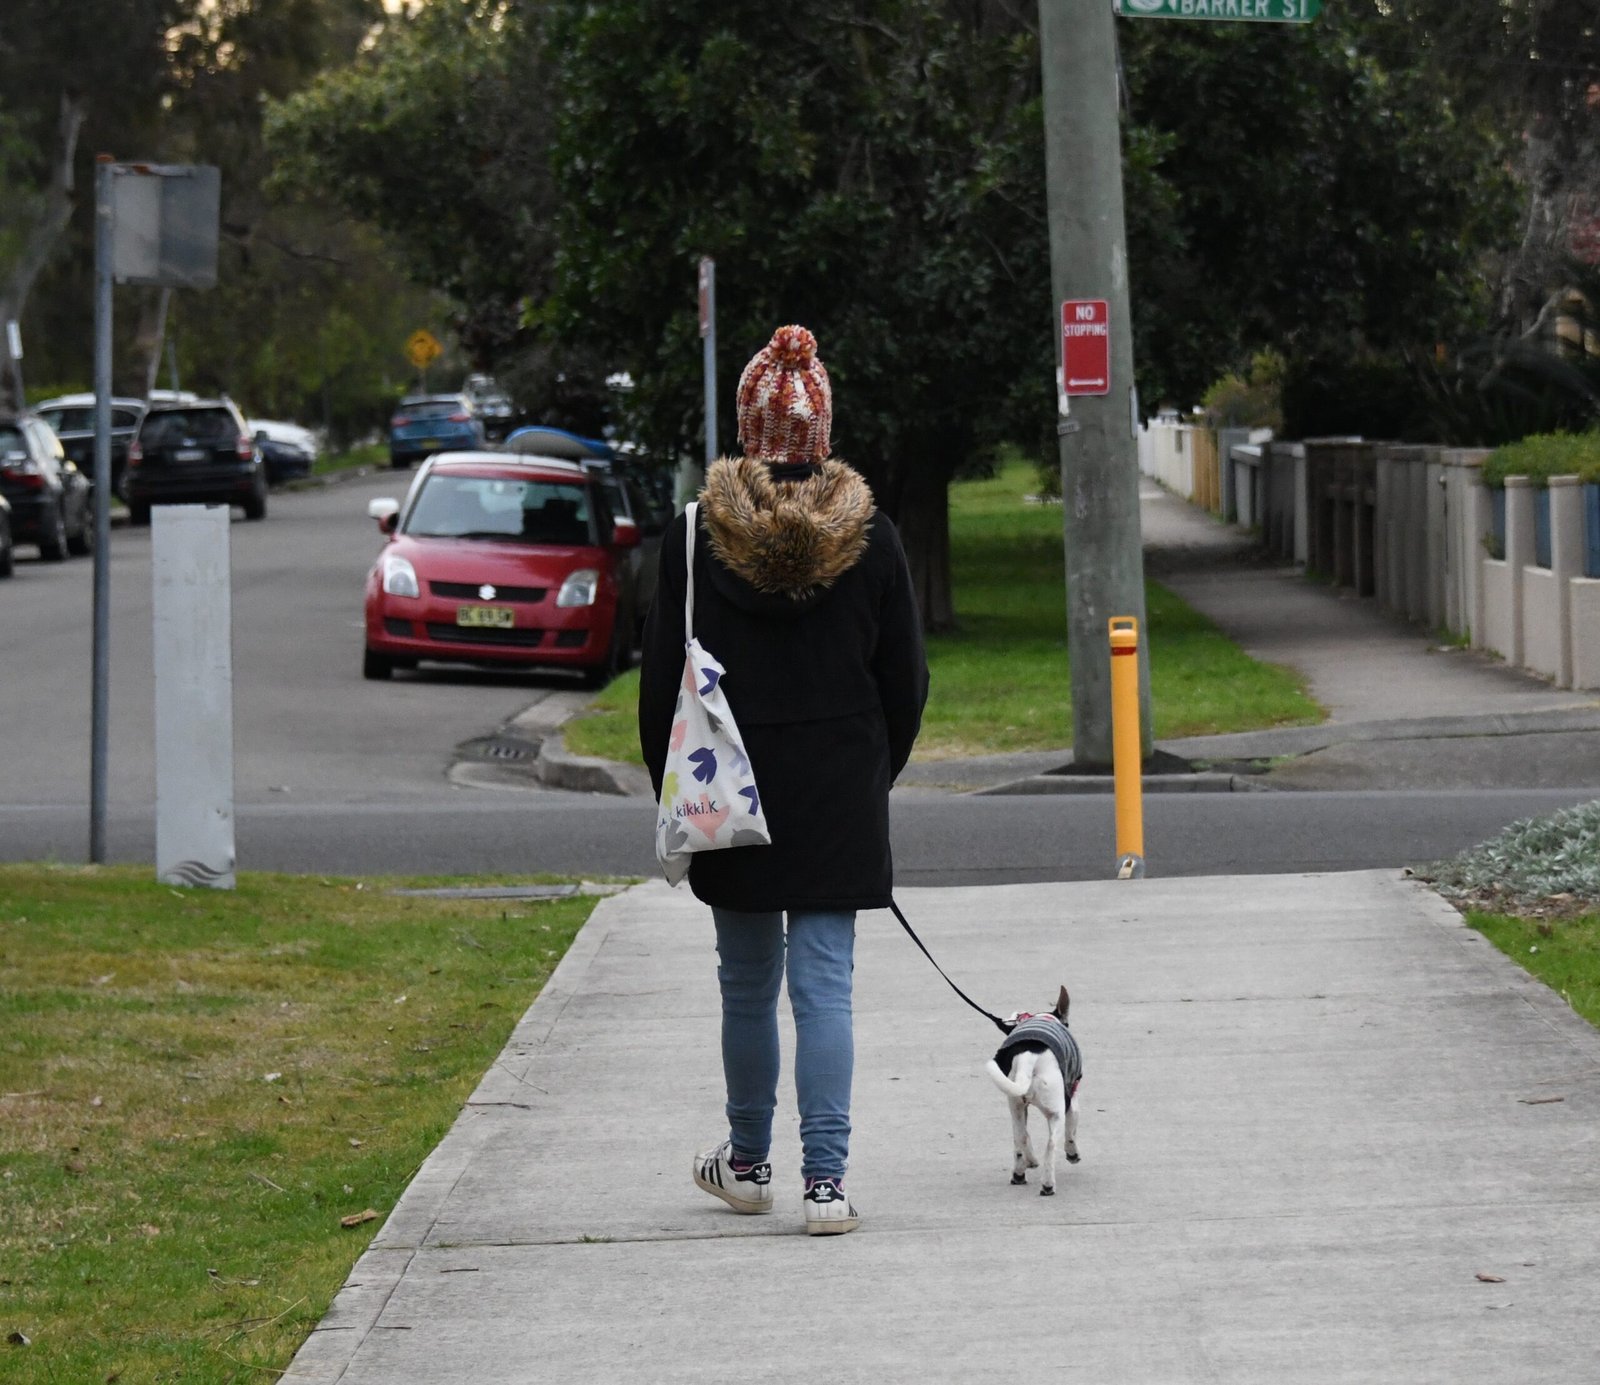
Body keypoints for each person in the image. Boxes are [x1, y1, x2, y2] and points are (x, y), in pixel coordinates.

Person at [638, 324, 929, 1236]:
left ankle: (751, 1160)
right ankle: (828, 1185)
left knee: (745, 981)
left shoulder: (695, 537)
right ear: (822, 429)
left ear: (746, 426)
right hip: (839, 787)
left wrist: (678, 789)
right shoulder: (874, 538)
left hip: (731, 790)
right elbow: (906, 685)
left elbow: (658, 690)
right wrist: (871, 775)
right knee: (825, 985)